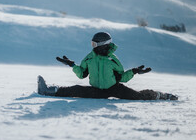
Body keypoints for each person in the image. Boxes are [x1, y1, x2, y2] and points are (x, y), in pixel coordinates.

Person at [37, 32, 178, 100]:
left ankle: (161, 95)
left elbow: (121, 77)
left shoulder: (113, 60)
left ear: (104, 45)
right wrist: (72, 65)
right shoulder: (90, 57)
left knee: (138, 96)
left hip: (114, 89)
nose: (92, 46)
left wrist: (134, 71)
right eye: (92, 44)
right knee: (76, 90)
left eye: (95, 44)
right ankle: (49, 90)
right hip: (96, 90)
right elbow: (82, 74)